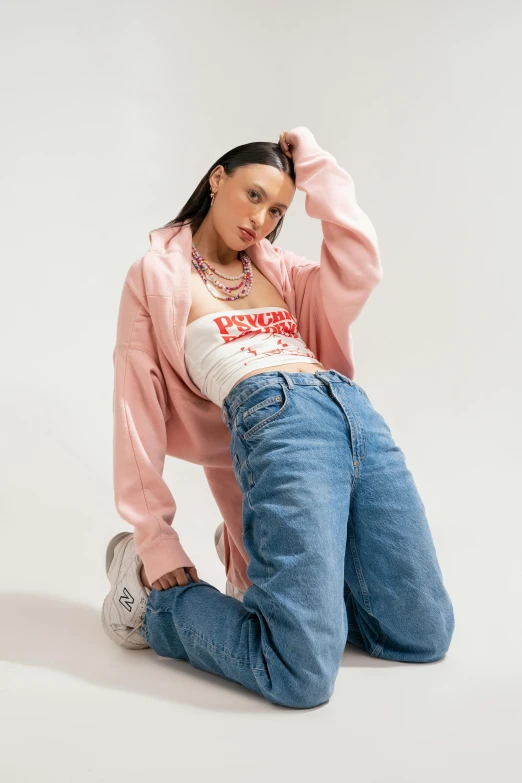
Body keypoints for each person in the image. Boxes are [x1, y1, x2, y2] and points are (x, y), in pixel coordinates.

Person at [101, 126, 455, 709]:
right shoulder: (156, 276)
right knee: (300, 675)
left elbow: (360, 266)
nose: (261, 220)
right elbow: (132, 404)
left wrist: (314, 165)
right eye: (254, 195)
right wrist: (155, 540)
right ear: (218, 179)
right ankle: (151, 602)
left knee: (420, 636)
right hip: (277, 422)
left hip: (354, 415)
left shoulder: (280, 271)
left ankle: (262, 554)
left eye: (278, 210)